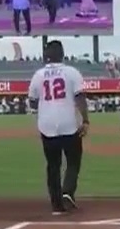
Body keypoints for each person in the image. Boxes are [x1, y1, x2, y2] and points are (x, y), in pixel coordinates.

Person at [27, 40, 88, 214]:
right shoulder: (71, 72)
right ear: (62, 54)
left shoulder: (38, 75)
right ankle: (67, 191)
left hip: (46, 124)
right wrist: (85, 120)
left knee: (53, 165)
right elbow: (80, 97)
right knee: (73, 160)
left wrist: (39, 114)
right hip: (68, 122)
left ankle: (56, 204)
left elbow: (32, 101)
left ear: (46, 55)